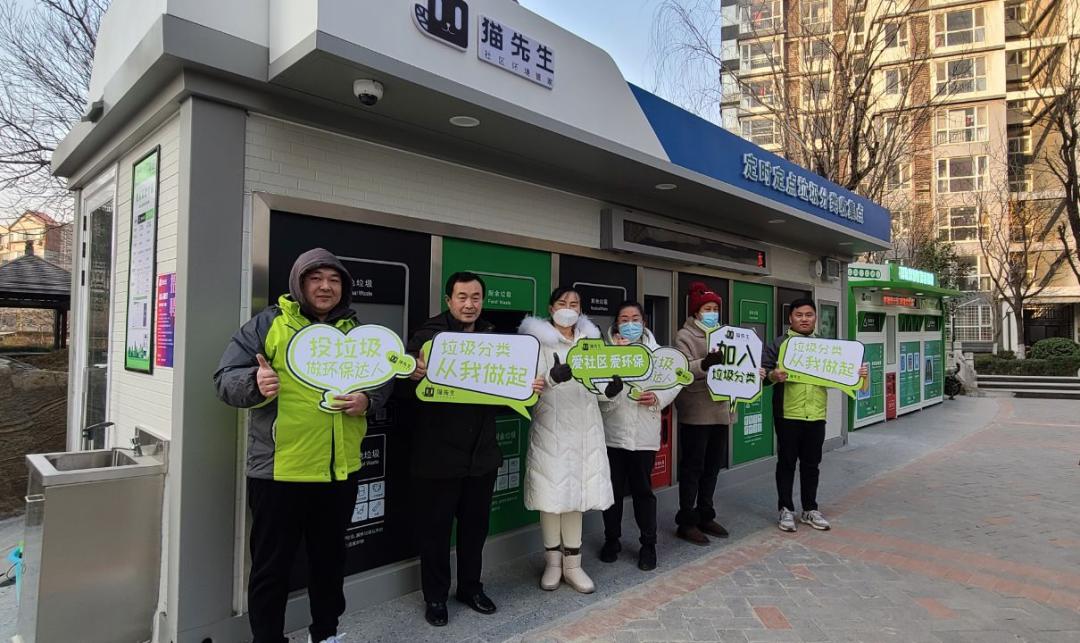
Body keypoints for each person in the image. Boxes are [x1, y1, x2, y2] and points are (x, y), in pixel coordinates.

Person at [214, 248, 392, 643]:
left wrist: (368, 399)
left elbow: (383, 378)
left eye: (334, 280)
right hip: (279, 471)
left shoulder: (355, 331)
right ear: (299, 283)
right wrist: (254, 383)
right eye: (316, 278)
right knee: (271, 567)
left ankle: (325, 634)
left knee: (330, 562)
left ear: (344, 287)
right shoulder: (267, 325)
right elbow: (224, 379)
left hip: (338, 470)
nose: (325, 287)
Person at [404, 272, 542, 627]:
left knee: (475, 529)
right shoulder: (427, 338)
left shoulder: (494, 339)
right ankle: (435, 597)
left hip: (481, 455)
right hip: (437, 456)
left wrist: (529, 386)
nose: (469, 304)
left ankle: (470, 588)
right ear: (448, 300)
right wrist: (410, 373)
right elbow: (400, 386)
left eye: (476, 297)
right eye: (462, 297)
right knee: (435, 532)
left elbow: (508, 389)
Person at [518, 287, 620, 593]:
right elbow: (525, 386)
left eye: (574, 304)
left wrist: (610, 391)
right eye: (562, 303)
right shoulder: (535, 343)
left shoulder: (592, 341)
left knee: (575, 497)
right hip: (551, 428)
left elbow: (600, 383)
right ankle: (552, 563)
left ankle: (573, 566)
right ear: (551, 308)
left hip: (585, 429)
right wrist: (551, 378)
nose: (568, 308)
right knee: (551, 498)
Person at [762, 298, 868, 533]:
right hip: (787, 413)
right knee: (786, 463)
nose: (804, 319)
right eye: (799, 315)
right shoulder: (779, 344)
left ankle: (810, 509)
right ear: (790, 318)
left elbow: (842, 375)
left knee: (812, 465)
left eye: (809, 315)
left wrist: (858, 373)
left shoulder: (826, 347)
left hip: (816, 414)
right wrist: (773, 376)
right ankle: (785, 509)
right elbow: (762, 375)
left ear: (815, 318)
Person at [598, 301, 683, 571]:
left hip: (644, 435)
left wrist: (658, 397)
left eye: (635, 318)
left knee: (643, 492)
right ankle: (612, 540)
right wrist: (610, 392)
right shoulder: (606, 353)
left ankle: (648, 545)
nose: (630, 324)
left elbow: (675, 381)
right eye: (624, 319)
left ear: (644, 322)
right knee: (611, 492)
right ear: (616, 323)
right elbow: (596, 391)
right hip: (612, 434)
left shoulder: (659, 354)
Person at [673, 281, 734, 545]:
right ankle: (686, 520)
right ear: (696, 312)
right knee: (692, 467)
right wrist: (705, 363)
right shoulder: (684, 336)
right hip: (696, 410)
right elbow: (682, 368)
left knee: (712, 466)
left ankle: (705, 513)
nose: (712, 313)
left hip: (721, 409)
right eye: (707, 309)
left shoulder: (727, 334)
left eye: (715, 309)